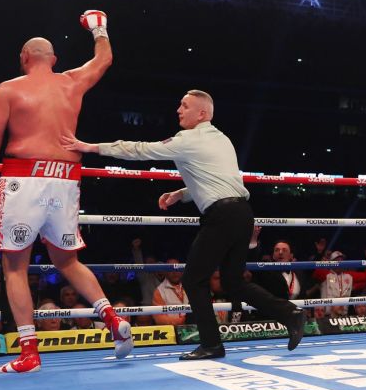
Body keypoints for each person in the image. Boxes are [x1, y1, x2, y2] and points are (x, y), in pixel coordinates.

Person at [61, 89, 305, 359]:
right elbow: (217, 178)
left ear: (201, 113)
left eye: (185, 106)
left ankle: (211, 344)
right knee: (233, 282)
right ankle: (290, 313)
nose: (178, 110)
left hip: (222, 217)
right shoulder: (222, 139)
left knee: (193, 279)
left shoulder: (188, 139)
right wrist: (181, 193)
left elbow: (140, 150)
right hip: (242, 213)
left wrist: (91, 147)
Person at [0, 10, 133, 373]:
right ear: (54, 60)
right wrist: (98, 26)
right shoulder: (72, 82)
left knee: (15, 267)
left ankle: (29, 352)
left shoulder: (10, 89)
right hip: (65, 179)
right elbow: (105, 58)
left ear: (24, 58)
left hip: (23, 178)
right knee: (67, 261)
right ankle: (110, 318)